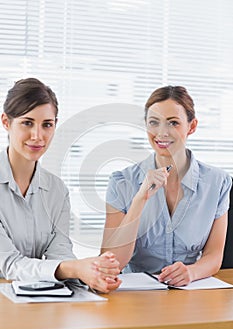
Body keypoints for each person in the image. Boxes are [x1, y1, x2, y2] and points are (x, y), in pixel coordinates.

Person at [101, 85, 232, 287]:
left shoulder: (217, 182)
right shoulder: (121, 182)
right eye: (154, 123)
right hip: (135, 297)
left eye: (173, 123)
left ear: (192, 126)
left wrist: (191, 272)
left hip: (191, 292)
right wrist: (139, 200)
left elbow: (214, 256)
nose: (162, 133)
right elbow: (113, 264)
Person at [0, 77, 121, 293]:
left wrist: (91, 274)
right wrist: (75, 268)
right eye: (27, 123)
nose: (38, 136)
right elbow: (10, 264)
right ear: (6, 123)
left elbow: (60, 254)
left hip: (34, 300)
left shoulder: (56, 190)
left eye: (47, 125)